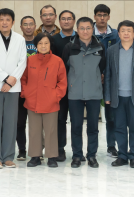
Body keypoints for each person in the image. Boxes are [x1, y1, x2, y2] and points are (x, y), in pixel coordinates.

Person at [0, 7, 28, 169]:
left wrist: (10, 82)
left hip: (13, 87)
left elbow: (22, 62)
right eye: (1, 19)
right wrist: (5, 78)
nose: (4, 22)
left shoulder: (20, 39)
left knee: (11, 122)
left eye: (7, 20)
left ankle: (8, 156)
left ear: (13, 22)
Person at [104, 20, 134, 168]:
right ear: (118, 33)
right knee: (119, 127)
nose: (126, 33)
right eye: (123, 31)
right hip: (117, 97)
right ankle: (122, 156)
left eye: (129, 31)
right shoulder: (111, 50)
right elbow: (108, 75)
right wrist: (107, 96)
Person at [62, 16, 105, 168]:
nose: (85, 31)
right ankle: (77, 155)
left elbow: (103, 68)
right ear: (77, 29)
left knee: (93, 127)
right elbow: (64, 69)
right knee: (76, 126)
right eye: (82, 28)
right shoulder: (69, 47)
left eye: (88, 28)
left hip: (94, 93)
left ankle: (92, 155)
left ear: (92, 29)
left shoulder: (100, 47)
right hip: (75, 93)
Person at [22, 33, 67, 168]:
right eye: (40, 43)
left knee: (51, 130)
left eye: (46, 43)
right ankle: (35, 156)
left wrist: (56, 96)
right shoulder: (29, 60)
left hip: (51, 102)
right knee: (34, 130)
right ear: (36, 45)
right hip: (32, 101)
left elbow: (62, 82)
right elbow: (23, 79)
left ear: (50, 45)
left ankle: (51, 157)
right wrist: (26, 93)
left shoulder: (57, 61)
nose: (43, 46)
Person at [50, 9, 76, 161]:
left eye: (69, 18)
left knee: (77, 120)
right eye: (63, 19)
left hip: (76, 85)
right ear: (59, 21)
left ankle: (77, 151)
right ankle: (60, 148)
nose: (66, 21)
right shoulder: (53, 40)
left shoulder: (80, 38)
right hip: (59, 86)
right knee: (60, 119)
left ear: (74, 21)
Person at [93, 4, 119, 159]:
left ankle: (111, 146)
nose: (102, 18)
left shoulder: (115, 35)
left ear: (109, 17)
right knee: (92, 118)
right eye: (99, 15)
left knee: (111, 116)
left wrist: (106, 74)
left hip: (111, 80)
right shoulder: (88, 33)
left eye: (104, 15)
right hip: (92, 80)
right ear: (94, 16)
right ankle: (91, 149)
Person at [17, 15, 39, 160]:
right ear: (21, 27)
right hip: (19, 87)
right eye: (25, 24)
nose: (29, 27)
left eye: (31, 24)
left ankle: (37, 150)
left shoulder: (40, 42)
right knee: (20, 122)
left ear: (35, 26)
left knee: (36, 123)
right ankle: (22, 150)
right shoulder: (17, 42)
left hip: (37, 88)